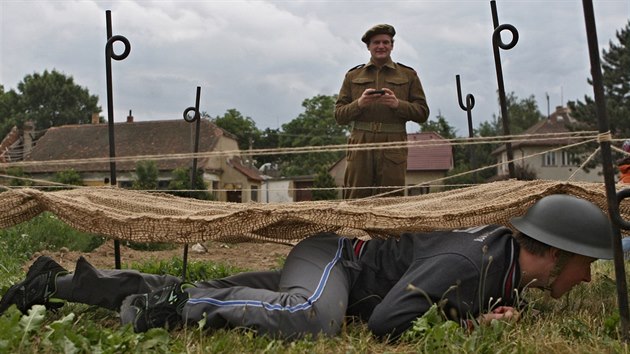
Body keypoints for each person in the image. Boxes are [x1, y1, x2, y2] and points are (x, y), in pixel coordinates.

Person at [0, 194, 613, 340]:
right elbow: (388, 322)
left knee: (224, 286)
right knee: (313, 319)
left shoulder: (503, 264)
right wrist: (476, 324)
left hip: (341, 272)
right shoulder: (473, 260)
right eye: (586, 265)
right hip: (335, 258)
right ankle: (170, 311)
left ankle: (54, 284)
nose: (588, 278)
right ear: (554, 253)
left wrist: (501, 308)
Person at [334, 24, 430, 199]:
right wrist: (360, 103)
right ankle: (355, 227)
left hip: (393, 142)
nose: (381, 46)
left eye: (386, 42)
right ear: (368, 46)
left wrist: (397, 104)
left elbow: (422, 113)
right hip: (361, 141)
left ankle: (389, 227)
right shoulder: (352, 76)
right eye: (376, 42)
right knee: (357, 194)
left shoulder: (409, 75)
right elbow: (339, 115)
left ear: (392, 45)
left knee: (391, 195)